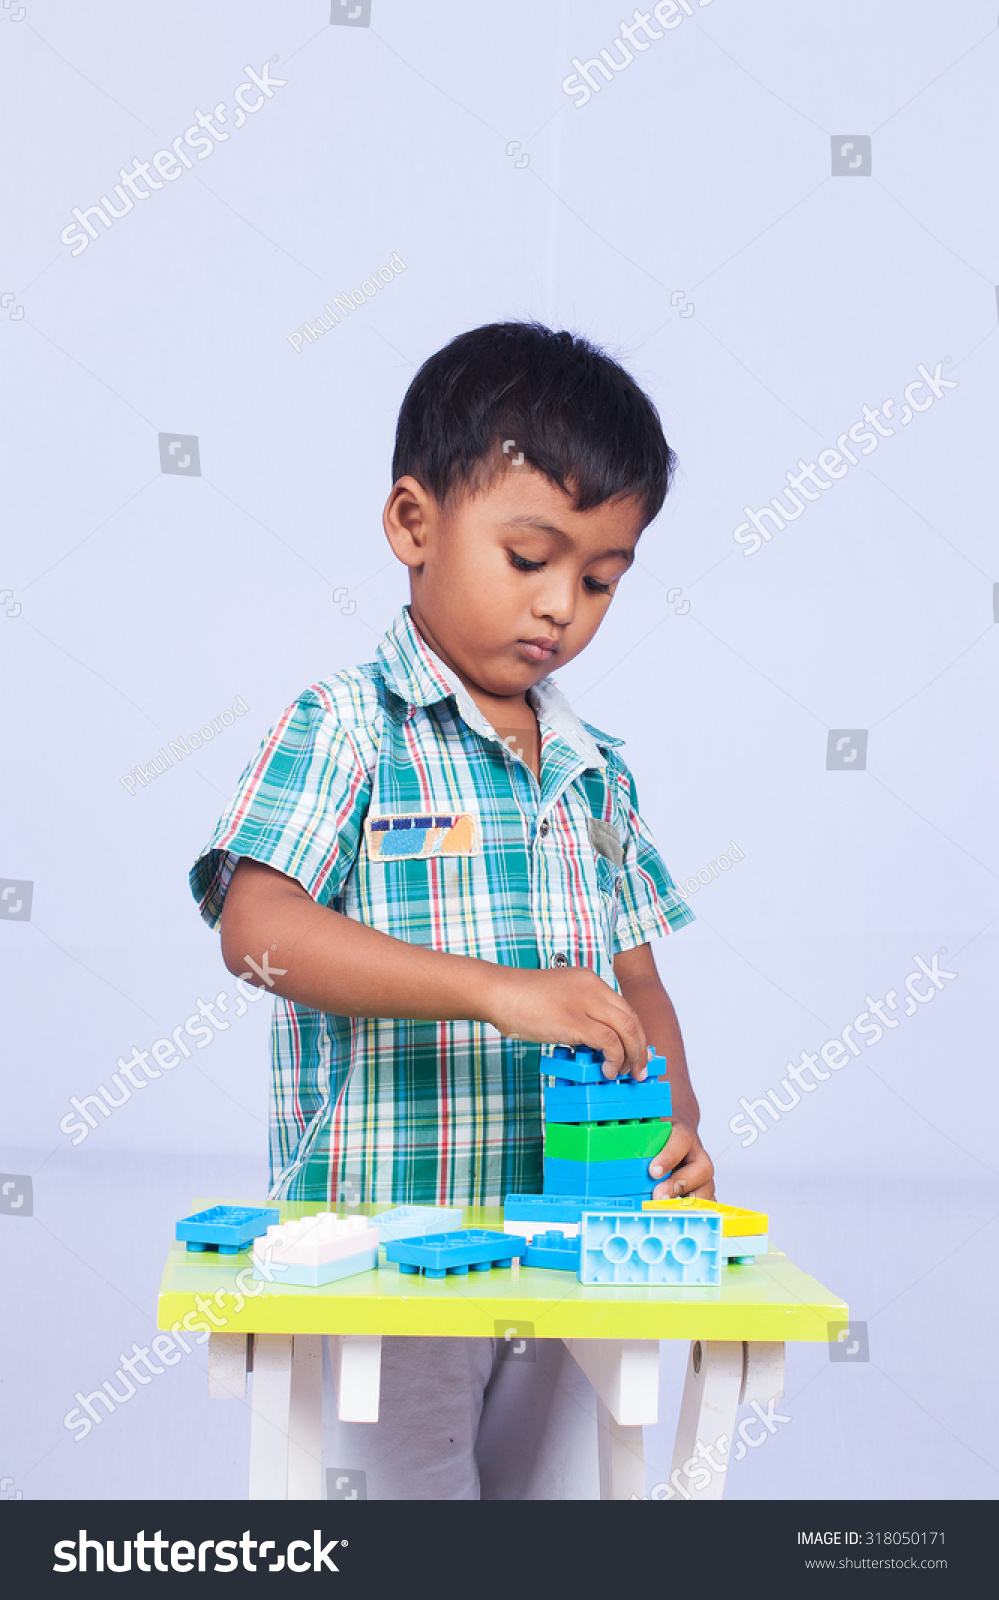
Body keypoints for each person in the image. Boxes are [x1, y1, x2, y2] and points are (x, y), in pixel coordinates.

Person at [189, 320, 715, 1497]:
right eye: (529, 556)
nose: (560, 607)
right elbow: (255, 931)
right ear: (413, 526)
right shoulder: (344, 726)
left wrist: (677, 1124)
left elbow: (638, 985)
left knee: (560, 1516)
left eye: (598, 579)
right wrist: (494, 992)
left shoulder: (597, 769)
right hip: (388, 1245)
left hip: (571, 1248)